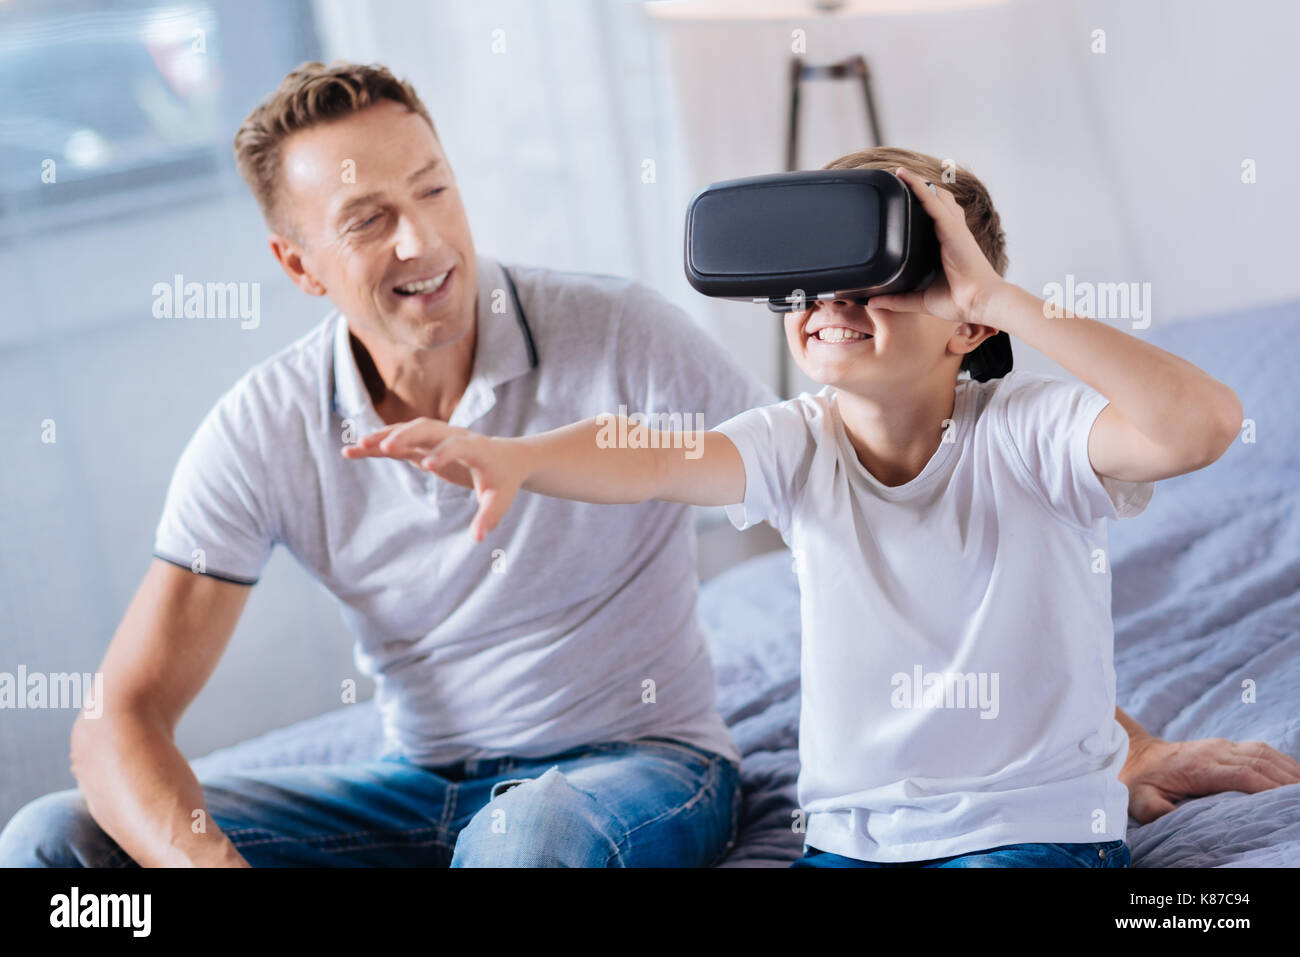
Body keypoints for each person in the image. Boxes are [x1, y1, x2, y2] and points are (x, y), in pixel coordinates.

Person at [1, 66, 1292, 867]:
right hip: (421, 789)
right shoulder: (262, 423)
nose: (423, 235)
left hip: (629, 769)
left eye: (436, 188)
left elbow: (1163, 443)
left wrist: (1105, 744)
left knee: (534, 842)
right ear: (299, 265)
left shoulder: (637, 334)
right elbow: (654, 457)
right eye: (368, 217)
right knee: (53, 842)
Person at [341, 146, 1289, 867]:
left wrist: (1003, 293)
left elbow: (1198, 423)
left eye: (886, 272)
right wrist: (516, 456)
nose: (835, 298)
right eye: (813, 277)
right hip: (849, 844)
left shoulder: (1031, 431)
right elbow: (651, 454)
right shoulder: (797, 442)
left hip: (1024, 833)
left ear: (968, 321)